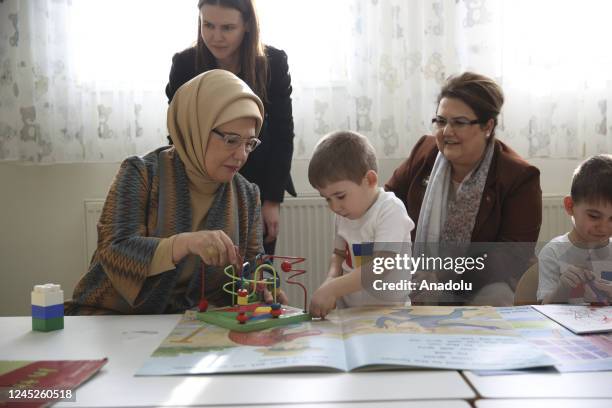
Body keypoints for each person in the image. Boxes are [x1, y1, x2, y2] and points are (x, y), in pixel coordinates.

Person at [66, 70, 287, 315]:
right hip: (113, 318)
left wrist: (265, 283)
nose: (242, 155)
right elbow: (114, 250)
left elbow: (254, 264)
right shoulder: (141, 174)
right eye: (231, 140)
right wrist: (184, 243)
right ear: (196, 128)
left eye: (249, 143)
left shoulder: (247, 195)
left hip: (193, 324)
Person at [385, 72, 542, 306]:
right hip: (415, 277)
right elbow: (386, 207)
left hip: (481, 283)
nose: (446, 131)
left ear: (487, 126)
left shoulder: (519, 177)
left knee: (498, 296)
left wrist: (441, 278)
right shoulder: (424, 153)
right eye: (440, 121)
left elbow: (509, 256)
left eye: (459, 122)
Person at [166, 0, 296, 255]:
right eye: (208, 25)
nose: (215, 37)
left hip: (258, 180)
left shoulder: (273, 62)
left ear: (247, 25)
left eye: (227, 28)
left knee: (254, 276)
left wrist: (271, 201)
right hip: (200, 183)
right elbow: (177, 135)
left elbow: (283, 135)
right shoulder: (184, 64)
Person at [307, 131, 414, 318]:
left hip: (391, 316)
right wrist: (330, 279)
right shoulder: (343, 212)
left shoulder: (390, 209)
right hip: (350, 313)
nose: (334, 206)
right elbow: (338, 255)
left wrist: (332, 288)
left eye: (340, 196)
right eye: (327, 199)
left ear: (370, 180)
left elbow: (381, 266)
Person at [538, 154, 612, 304]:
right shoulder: (553, 252)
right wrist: (563, 288)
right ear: (570, 206)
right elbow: (543, 308)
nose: (604, 227)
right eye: (594, 216)